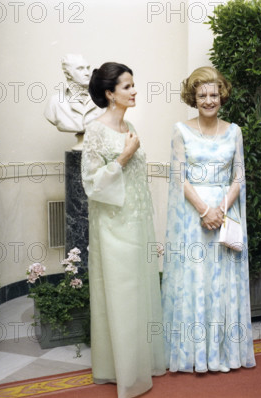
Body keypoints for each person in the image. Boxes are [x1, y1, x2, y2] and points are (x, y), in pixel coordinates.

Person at [162, 66, 256, 373]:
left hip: (225, 216)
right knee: (196, 283)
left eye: (214, 94)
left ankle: (223, 353)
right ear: (193, 97)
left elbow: (239, 175)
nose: (208, 100)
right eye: (202, 94)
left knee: (222, 284)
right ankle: (194, 354)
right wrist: (204, 210)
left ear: (222, 95)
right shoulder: (181, 130)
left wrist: (221, 208)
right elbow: (179, 177)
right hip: (193, 218)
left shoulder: (235, 131)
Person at [81, 62, 165, 397]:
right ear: (109, 93)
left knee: (140, 292)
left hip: (136, 222)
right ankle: (124, 373)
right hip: (113, 226)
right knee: (122, 295)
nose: (134, 91)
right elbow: (92, 184)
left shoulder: (127, 125)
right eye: (127, 86)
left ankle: (140, 362)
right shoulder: (95, 130)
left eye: (133, 85)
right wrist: (124, 156)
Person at [44, 54, 104, 148]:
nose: (87, 73)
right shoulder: (55, 102)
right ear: (68, 74)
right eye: (80, 69)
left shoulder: (103, 99)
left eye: (87, 68)